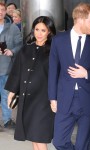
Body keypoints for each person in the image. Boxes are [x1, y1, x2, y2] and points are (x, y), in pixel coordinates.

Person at [48, 2, 90, 150]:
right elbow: (53, 71)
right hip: (65, 99)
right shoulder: (59, 41)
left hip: (88, 100)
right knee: (58, 141)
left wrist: (88, 74)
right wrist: (52, 98)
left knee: (83, 145)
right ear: (80, 20)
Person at [5, 16, 56, 150]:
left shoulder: (54, 51)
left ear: (49, 32)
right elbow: (17, 72)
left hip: (43, 100)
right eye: (36, 29)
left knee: (40, 137)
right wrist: (11, 93)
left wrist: (54, 99)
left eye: (43, 30)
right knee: (33, 136)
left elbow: (58, 76)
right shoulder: (26, 49)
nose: (39, 33)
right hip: (27, 99)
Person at [0, 2, 22, 129]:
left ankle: (7, 120)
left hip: (6, 67)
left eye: (3, 9)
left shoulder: (12, 27)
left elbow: (20, 45)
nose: (1, 12)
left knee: (5, 94)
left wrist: (12, 51)